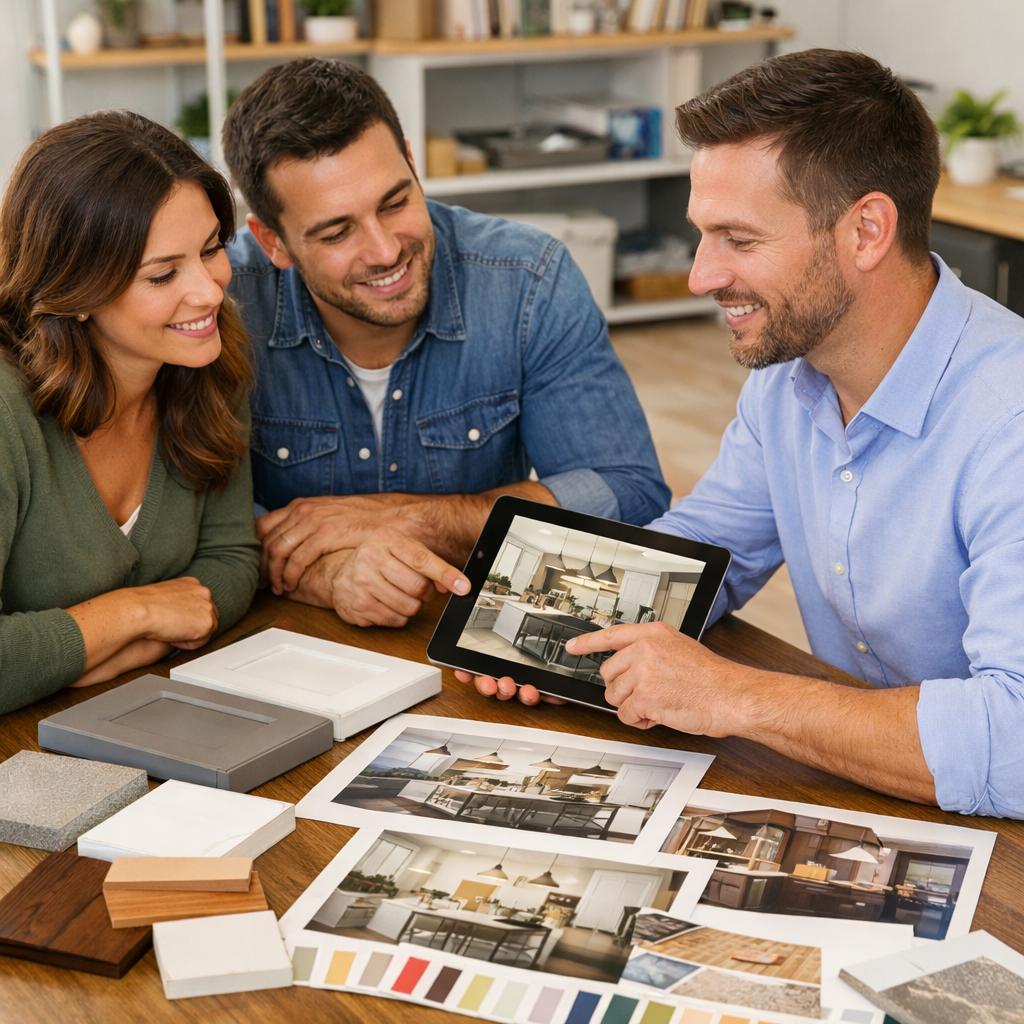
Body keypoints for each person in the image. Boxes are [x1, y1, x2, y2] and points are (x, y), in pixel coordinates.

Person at [463, 49, 1024, 819]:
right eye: (702, 235)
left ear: (865, 231)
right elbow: (708, 547)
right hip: (869, 793)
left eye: (739, 239)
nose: (700, 275)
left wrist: (731, 695)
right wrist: (561, 639)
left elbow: (1016, 738)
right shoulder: (787, 379)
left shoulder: (1009, 423)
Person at [222, 58, 670, 629]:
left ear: (413, 165)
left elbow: (627, 493)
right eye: (337, 231)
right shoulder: (222, 303)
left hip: (476, 643)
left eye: (395, 202)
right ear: (273, 242)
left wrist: (407, 520)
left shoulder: (528, 278)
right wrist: (327, 575)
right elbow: (187, 527)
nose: (385, 251)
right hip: (282, 639)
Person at [0, 111, 260, 714]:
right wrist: (132, 613)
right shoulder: (7, 413)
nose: (209, 292)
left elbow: (231, 558)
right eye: (163, 274)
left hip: (136, 717)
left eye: (212, 249)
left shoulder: (206, 357)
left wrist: (114, 650)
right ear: (78, 291)